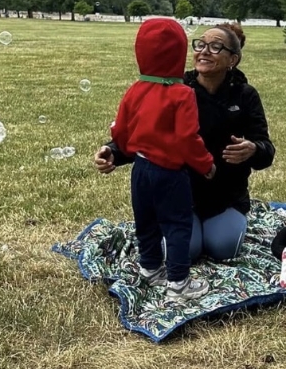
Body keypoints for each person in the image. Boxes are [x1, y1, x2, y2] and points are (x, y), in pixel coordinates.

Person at [95, 22, 275, 263]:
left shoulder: (245, 95)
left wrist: (253, 149)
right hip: (178, 192)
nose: (204, 51)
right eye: (200, 45)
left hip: (225, 196)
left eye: (215, 47)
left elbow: (266, 151)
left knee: (223, 248)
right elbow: (147, 135)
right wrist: (114, 152)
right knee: (184, 252)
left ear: (233, 59)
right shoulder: (174, 88)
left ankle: (213, 226)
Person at [108, 16, 215, 299]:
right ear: (179, 54)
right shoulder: (183, 94)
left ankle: (150, 268)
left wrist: (123, 149)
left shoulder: (136, 89)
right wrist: (205, 164)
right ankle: (178, 284)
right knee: (178, 225)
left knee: (145, 220)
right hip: (169, 172)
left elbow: (120, 129)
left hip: (140, 169)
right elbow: (187, 139)